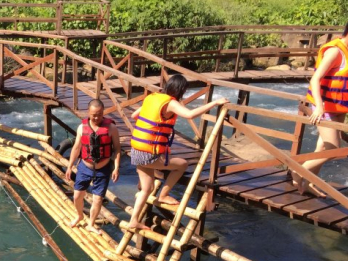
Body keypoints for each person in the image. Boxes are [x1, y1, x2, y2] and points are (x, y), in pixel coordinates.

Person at [127, 74, 227, 231]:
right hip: (148, 155)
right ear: (180, 90)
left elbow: (134, 115)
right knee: (182, 164)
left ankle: (133, 220)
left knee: (146, 188)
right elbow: (190, 115)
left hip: (136, 150)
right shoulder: (170, 103)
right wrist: (214, 102)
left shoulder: (152, 97)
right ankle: (163, 195)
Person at [301, 14, 348, 197]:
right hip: (324, 107)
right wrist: (318, 107)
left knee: (322, 149)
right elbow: (315, 79)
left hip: (340, 107)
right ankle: (296, 169)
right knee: (334, 148)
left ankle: (308, 184)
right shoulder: (335, 51)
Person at [63, 99, 121, 234]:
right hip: (85, 166)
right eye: (94, 115)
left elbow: (117, 149)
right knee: (77, 196)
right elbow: (76, 147)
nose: (96, 117)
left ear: (103, 113)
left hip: (103, 168)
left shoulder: (111, 128)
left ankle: (91, 224)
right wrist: (69, 166)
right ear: (88, 113)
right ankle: (79, 215)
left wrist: (116, 167)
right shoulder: (82, 128)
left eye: (100, 114)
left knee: (98, 198)